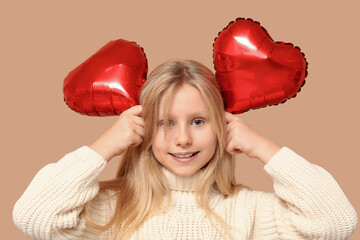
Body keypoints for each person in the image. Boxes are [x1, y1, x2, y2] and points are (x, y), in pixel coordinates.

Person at [13, 60, 358, 239]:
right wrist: (104, 147)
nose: (182, 140)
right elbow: (34, 217)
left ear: (223, 126)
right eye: (165, 123)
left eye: (197, 121)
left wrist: (264, 148)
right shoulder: (114, 210)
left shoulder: (249, 212)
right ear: (142, 131)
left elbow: (334, 223)